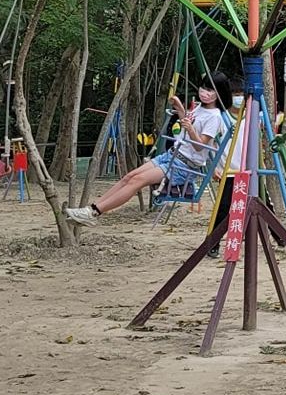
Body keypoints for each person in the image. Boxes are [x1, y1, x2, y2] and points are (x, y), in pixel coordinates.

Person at [65, 74, 230, 226]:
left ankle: (93, 213)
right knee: (130, 176)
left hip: (183, 167)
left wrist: (191, 130)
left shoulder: (214, 117)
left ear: (218, 93)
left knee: (137, 181)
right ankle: (91, 209)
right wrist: (179, 107)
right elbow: (188, 122)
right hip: (171, 155)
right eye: (203, 87)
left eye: (209, 89)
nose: (204, 92)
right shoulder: (200, 108)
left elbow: (200, 145)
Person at [208, 78, 246, 258]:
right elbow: (209, 146)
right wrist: (213, 167)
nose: (238, 98)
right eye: (235, 95)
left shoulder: (250, 117)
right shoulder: (221, 119)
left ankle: (280, 238)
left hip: (248, 171)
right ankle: (213, 244)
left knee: (264, 205)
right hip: (228, 171)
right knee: (223, 209)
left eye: (241, 95)